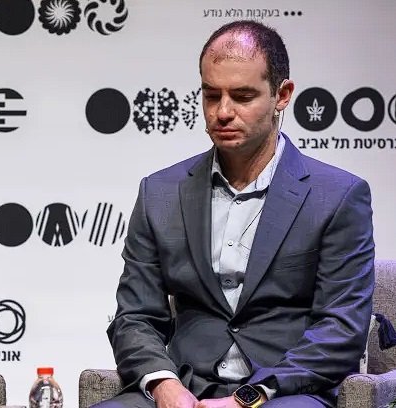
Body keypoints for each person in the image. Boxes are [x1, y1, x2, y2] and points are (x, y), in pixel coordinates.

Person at [97, 20, 374, 408]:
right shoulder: (159, 192)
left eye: (242, 96)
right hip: (185, 386)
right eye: (211, 95)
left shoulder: (338, 196)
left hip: (286, 392)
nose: (223, 112)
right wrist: (163, 384)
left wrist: (248, 398)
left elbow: (341, 330)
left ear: (283, 95)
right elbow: (134, 316)